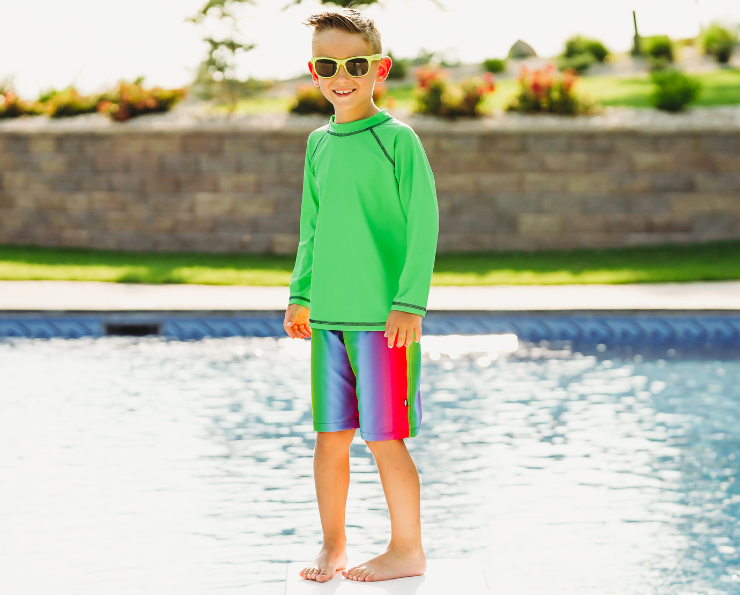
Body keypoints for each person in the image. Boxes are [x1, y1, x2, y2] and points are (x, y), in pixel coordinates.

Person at [283, 6, 439, 585]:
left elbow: (424, 224)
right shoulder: (317, 144)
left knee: (384, 438)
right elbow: (312, 226)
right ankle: (334, 546)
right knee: (330, 438)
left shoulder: (397, 140)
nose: (341, 76)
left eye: (355, 64)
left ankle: (407, 550)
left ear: (380, 69)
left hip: (383, 320)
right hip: (328, 318)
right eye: (328, 65)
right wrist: (300, 294)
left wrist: (409, 302)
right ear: (314, 72)